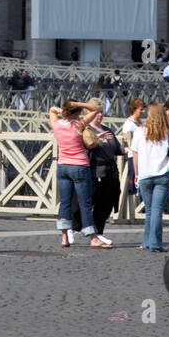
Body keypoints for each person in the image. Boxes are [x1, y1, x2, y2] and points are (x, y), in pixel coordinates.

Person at [50, 100, 111, 249]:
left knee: (65, 202)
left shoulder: (57, 125)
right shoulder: (79, 125)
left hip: (63, 166)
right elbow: (95, 110)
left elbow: (51, 110)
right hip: (79, 166)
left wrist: (63, 110)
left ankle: (64, 236)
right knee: (85, 203)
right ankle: (93, 237)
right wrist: (80, 104)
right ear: (77, 113)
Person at [131, 102, 169, 252]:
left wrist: (136, 173)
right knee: (157, 210)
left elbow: (135, 154)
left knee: (149, 210)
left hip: (145, 174)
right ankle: (155, 243)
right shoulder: (168, 130)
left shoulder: (140, 131)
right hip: (162, 174)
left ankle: (147, 241)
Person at [71, 100, 121, 244]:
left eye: (101, 112)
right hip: (92, 171)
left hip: (109, 172)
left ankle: (98, 232)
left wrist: (127, 150)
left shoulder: (107, 129)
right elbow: (82, 147)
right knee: (86, 201)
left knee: (106, 204)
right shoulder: (85, 129)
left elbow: (116, 147)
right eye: (97, 112)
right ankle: (74, 227)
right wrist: (97, 140)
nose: (100, 115)